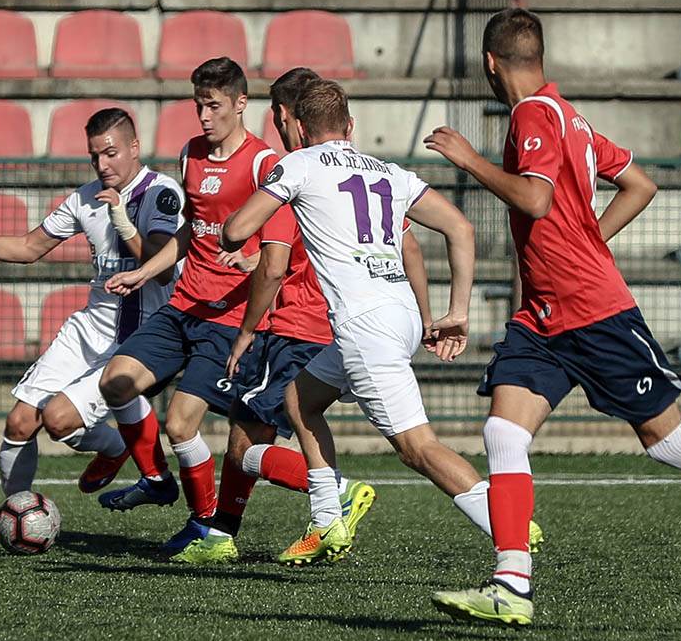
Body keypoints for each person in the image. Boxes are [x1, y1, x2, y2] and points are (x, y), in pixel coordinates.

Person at [425, 8, 681, 627]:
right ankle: (511, 583)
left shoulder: (533, 114)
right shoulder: (573, 118)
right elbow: (640, 185)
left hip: (593, 314)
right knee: (503, 433)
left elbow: (536, 199)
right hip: (543, 317)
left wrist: (470, 160)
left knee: (669, 441)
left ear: (490, 63)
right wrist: (590, 239)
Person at [221, 80, 543, 566]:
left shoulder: (299, 163)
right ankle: (328, 519)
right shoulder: (390, 173)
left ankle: (508, 524)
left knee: (418, 449)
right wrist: (457, 312)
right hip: (403, 314)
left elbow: (235, 230)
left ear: (302, 129)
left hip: (363, 326)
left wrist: (267, 204)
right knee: (299, 399)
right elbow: (461, 227)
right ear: (351, 126)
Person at [0, 108, 183, 542]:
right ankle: (8, 517)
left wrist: (122, 219)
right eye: (94, 156)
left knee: (58, 420)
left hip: (139, 338)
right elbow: (30, 247)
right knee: (18, 423)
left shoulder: (162, 193)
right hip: (88, 329)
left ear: (133, 149)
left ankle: (117, 443)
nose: (102, 165)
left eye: (110, 153)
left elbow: (162, 270)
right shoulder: (85, 197)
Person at [97, 57, 277, 556]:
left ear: (241, 104)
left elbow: (288, 242)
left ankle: (206, 526)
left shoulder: (264, 163)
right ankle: (157, 479)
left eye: (213, 106)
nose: (203, 116)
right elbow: (188, 232)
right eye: (198, 105)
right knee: (115, 381)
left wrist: (252, 259)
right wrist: (144, 270)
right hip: (182, 305)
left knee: (180, 424)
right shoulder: (191, 154)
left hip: (226, 319)